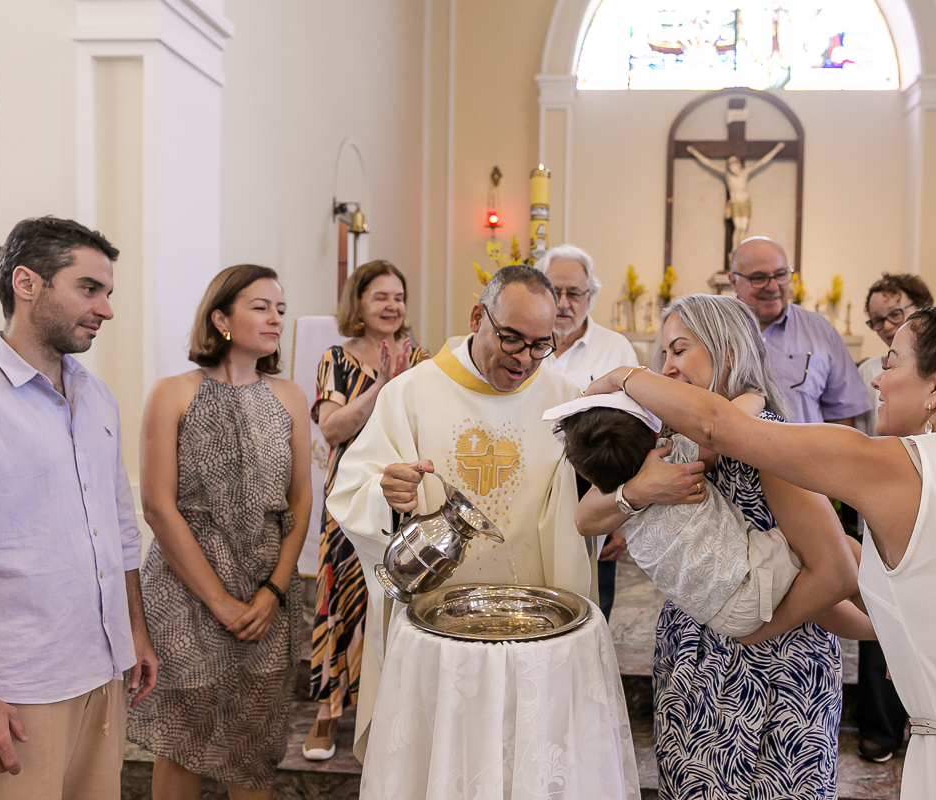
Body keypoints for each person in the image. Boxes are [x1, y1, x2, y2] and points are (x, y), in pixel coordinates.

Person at [588, 307, 936, 800]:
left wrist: (627, 377)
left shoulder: (898, 466)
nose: (876, 378)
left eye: (892, 362)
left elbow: (719, 426)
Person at [575, 294, 860, 798]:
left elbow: (836, 571)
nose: (668, 368)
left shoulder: (768, 439)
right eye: (662, 355)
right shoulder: (664, 437)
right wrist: (640, 491)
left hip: (776, 657)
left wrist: (757, 629)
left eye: (679, 350)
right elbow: (587, 516)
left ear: (726, 350)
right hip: (691, 649)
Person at [0, 217, 157, 799]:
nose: (106, 309)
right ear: (27, 283)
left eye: (108, 293)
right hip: (13, 691)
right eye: (89, 288)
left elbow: (118, 530)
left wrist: (133, 630)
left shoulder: (96, 395)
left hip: (101, 672)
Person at [327, 264, 593, 762]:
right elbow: (351, 490)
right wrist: (387, 493)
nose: (524, 360)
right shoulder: (410, 393)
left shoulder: (564, 402)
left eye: (541, 345)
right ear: (478, 317)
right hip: (436, 625)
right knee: (444, 758)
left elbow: (590, 497)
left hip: (531, 623)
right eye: (511, 338)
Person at [127, 264, 312, 798]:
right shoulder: (172, 393)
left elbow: (300, 500)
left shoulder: (289, 398)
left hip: (266, 593)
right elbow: (159, 507)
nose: (276, 317)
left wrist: (274, 590)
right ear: (220, 319)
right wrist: (220, 602)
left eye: (280, 307)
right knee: (185, 740)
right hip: (187, 593)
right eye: (260, 307)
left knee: (251, 747)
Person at [550, 396, 872, 641]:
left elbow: (585, 517)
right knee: (844, 550)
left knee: (816, 597)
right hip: (747, 581)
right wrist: (754, 392)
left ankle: (878, 634)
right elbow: (725, 423)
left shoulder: (615, 493)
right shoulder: (670, 455)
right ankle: (893, 635)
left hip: (719, 617)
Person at [303, 261, 428, 761]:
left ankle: (392, 713)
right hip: (347, 499)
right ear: (358, 303)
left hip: (404, 500)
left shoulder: (420, 358)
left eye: (398, 296)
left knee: (397, 600)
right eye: (381, 296)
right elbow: (332, 430)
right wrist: (382, 385)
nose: (392, 305)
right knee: (341, 599)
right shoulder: (336, 358)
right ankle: (328, 712)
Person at [851, 272, 934, 763]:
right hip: (883, 492)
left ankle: (929, 718)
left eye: (895, 313)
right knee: (883, 606)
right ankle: (881, 726)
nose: (885, 325)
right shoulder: (866, 368)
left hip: (934, 490)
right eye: (877, 318)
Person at [536, 244, 640, 620]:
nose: (564, 303)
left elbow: (638, 438)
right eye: (553, 291)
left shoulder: (616, 350)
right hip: (529, 493)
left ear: (590, 296)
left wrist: (623, 518)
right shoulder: (525, 345)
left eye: (574, 293)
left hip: (596, 495)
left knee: (592, 610)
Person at [728, 236, 871, 424]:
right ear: (733, 280)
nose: (772, 287)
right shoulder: (712, 330)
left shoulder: (820, 331)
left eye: (780, 275)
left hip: (806, 453)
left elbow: (843, 414)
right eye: (759, 278)